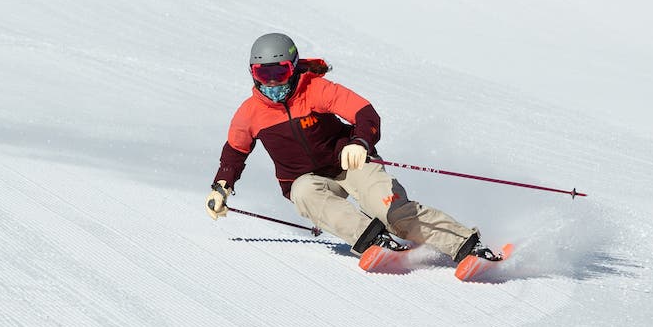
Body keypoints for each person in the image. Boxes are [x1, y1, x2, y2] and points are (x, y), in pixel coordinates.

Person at [206, 32, 502, 269]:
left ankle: (467, 245)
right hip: (308, 181)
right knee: (304, 191)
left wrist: (360, 143)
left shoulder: (315, 90)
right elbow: (235, 151)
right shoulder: (250, 113)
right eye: (263, 73)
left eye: (280, 72)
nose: (271, 83)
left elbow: (365, 113)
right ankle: (374, 241)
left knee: (389, 210)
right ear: (252, 73)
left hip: (350, 162)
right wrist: (222, 185)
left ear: (294, 68)